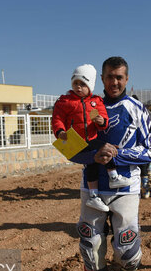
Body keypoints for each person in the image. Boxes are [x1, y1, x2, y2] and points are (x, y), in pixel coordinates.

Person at [68, 56, 151, 271]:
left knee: (126, 253)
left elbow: (150, 151)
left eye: (119, 77)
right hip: (92, 189)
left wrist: (119, 153)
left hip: (126, 188)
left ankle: (130, 269)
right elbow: (67, 147)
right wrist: (94, 154)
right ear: (101, 79)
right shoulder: (83, 106)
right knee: (90, 249)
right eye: (109, 77)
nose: (114, 82)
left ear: (126, 79)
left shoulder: (137, 109)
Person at [52, 64, 133, 212]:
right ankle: (95, 195)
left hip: (91, 138)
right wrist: (60, 132)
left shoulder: (95, 101)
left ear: (90, 85)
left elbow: (103, 117)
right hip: (76, 141)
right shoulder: (65, 102)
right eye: (75, 83)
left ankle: (112, 178)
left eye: (83, 84)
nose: (78, 87)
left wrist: (102, 122)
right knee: (92, 163)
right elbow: (57, 119)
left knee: (107, 149)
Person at [131, 95, 151, 199]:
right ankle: (141, 188)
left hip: (144, 145)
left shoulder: (144, 111)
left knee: (145, 167)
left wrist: (146, 133)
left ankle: (146, 188)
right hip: (133, 146)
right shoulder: (129, 111)